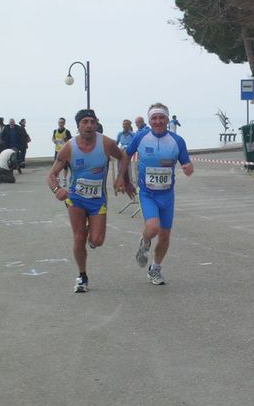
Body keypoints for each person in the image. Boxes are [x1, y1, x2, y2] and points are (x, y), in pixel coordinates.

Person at [46, 109, 134, 293]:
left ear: (96, 124)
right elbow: (52, 175)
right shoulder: (69, 147)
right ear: (78, 126)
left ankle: (90, 236)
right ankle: (82, 276)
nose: (89, 125)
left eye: (92, 122)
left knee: (97, 240)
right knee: (78, 237)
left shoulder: (106, 143)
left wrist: (121, 179)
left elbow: (124, 157)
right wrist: (57, 190)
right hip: (76, 199)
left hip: (97, 199)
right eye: (85, 122)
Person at [115, 102, 193, 286]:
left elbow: (186, 163)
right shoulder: (141, 137)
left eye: (161, 117)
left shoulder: (177, 141)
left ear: (167, 119)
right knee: (152, 228)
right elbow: (126, 155)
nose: (158, 121)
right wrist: (122, 178)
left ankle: (155, 269)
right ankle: (145, 241)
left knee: (165, 236)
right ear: (149, 121)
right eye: (154, 118)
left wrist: (188, 168)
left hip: (167, 195)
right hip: (147, 193)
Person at [52, 117, 72, 185]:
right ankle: (57, 178)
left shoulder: (67, 131)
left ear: (64, 123)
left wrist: (65, 140)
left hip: (64, 151)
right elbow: (53, 138)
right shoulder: (55, 131)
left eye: (62, 123)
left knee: (65, 166)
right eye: (59, 122)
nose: (60, 124)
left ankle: (64, 179)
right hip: (57, 150)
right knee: (56, 165)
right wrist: (54, 141)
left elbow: (70, 141)